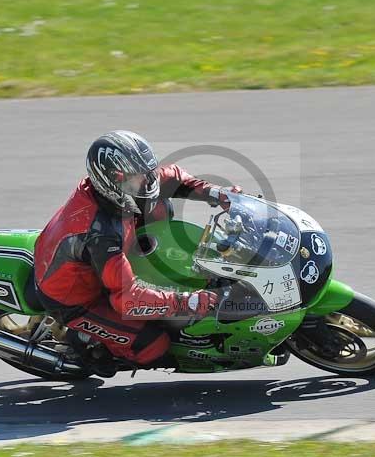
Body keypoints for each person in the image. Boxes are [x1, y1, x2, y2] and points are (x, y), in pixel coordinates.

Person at [34, 130, 240, 376]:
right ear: (110, 180)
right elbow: (127, 300)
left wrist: (216, 193)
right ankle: (83, 340)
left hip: (101, 261)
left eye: (147, 174)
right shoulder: (102, 233)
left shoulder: (123, 187)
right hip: (77, 298)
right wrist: (189, 301)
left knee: (158, 205)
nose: (147, 183)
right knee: (153, 346)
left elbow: (173, 176)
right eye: (137, 179)